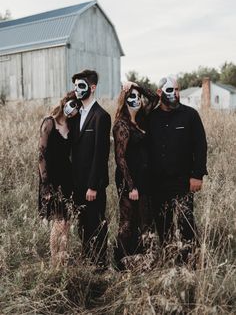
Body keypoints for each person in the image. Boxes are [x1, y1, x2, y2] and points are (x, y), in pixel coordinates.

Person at [148, 77, 208, 264]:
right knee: (163, 225)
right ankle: (169, 261)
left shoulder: (190, 115)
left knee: (186, 223)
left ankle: (191, 261)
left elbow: (201, 146)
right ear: (159, 92)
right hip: (157, 183)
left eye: (177, 89)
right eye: (169, 90)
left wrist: (197, 176)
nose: (175, 93)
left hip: (183, 181)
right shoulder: (151, 117)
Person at [113, 82, 159, 270]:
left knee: (144, 220)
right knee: (127, 222)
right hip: (128, 180)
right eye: (131, 96)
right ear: (124, 101)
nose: (136, 99)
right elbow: (120, 158)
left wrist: (136, 85)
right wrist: (131, 186)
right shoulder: (121, 125)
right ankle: (121, 263)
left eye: (138, 96)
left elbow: (155, 98)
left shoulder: (142, 119)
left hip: (145, 178)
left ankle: (139, 261)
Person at [70, 69, 111, 266]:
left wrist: (93, 186)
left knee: (97, 225)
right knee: (82, 226)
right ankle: (87, 262)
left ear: (92, 87)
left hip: (92, 185)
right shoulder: (75, 115)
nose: (77, 89)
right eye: (75, 86)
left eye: (81, 85)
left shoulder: (101, 116)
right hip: (76, 183)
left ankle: (100, 265)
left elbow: (100, 154)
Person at [38, 92, 79, 266]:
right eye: (71, 103)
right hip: (52, 179)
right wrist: (45, 185)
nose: (73, 108)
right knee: (58, 222)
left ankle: (63, 258)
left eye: (77, 106)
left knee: (67, 222)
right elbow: (41, 155)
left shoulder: (71, 125)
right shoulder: (49, 122)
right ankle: (54, 260)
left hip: (67, 178)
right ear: (64, 102)